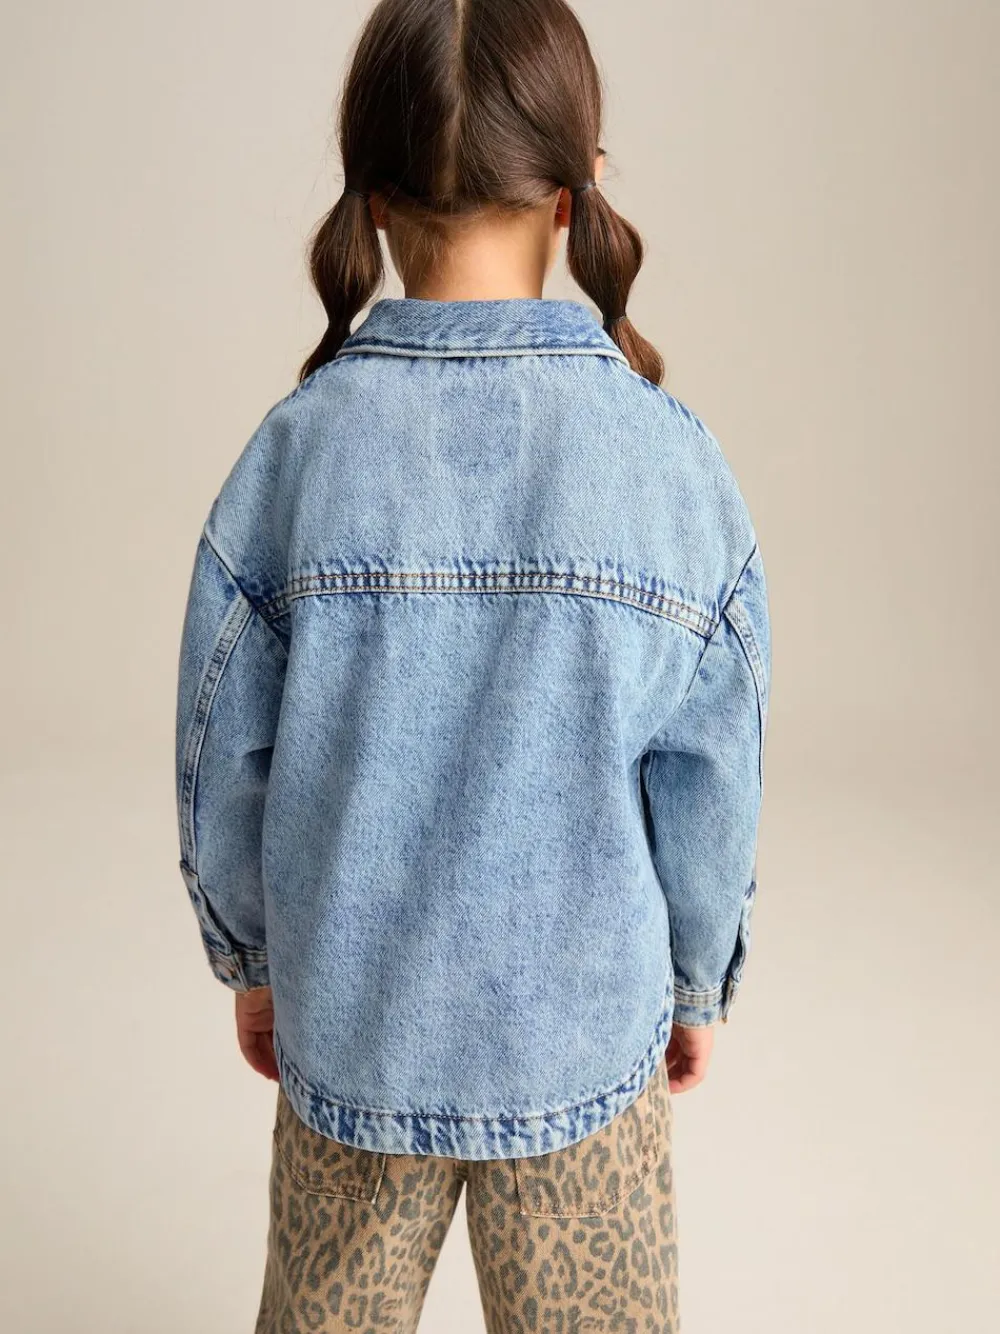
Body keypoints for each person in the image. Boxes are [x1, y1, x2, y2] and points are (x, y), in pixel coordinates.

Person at [173, 0, 772, 1329]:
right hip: (582, 1045)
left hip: (354, 1032)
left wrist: (254, 956)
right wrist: (693, 977)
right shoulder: (669, 463)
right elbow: (713, 766)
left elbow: (222, 746)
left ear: (372, 198)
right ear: (577, 187)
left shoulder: (295, 454)